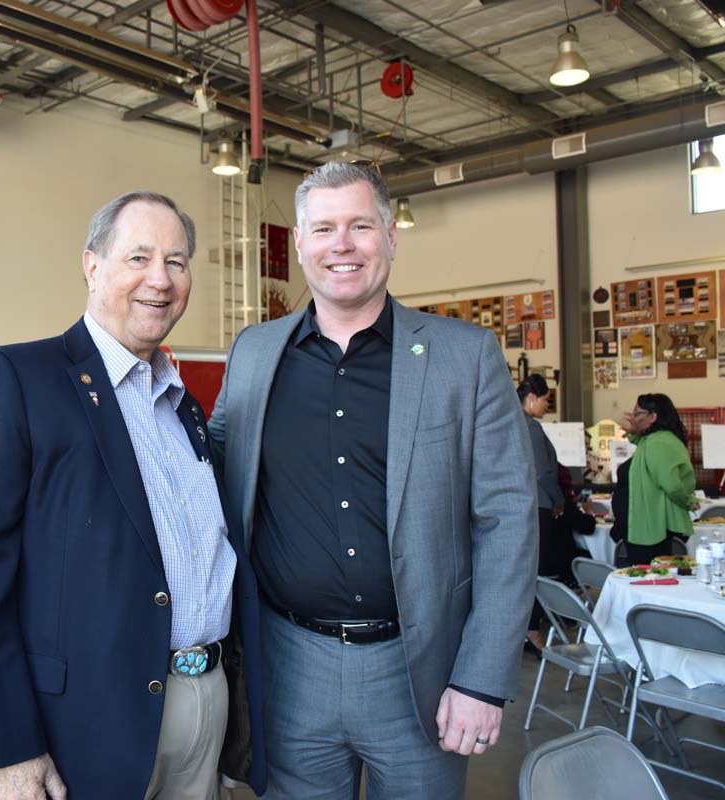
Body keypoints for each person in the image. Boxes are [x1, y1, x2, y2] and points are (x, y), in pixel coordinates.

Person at [207, 162, 536, 799]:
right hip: (288, 663)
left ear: (390, 237)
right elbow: (208, 469)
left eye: (361, 225)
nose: (343, 244)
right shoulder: (253, 351)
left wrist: (482, 678)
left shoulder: (463, 357)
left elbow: (508, 520)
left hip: (421, 673)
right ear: (299, 243)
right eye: (324, 228)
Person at [0, 191, 266, 800]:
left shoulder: (184, 407)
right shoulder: (17, 379)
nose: (160, 280)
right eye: (138, 258)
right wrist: (6, 746)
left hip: (203, 704)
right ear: (91, 266)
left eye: (176, 261)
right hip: (83, 725)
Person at [619, 393, 694, 563]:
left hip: (652, 527)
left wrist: (688, 501)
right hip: (650, 525)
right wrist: (634, 432)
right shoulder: (654, 440)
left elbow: (672, 485)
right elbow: (644, 446)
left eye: (637, 414)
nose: (633, 418)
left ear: (653, 417)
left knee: (649, 576)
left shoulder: (658, 443)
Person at [518, 374, 563, 654]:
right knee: (537, 570)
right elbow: (544, 472)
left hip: (522, 505)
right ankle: (532, 629)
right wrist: (559, 500)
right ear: (532, 398)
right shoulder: (530, 427)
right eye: (546, 400)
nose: (547, 405)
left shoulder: (508, 422)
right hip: (538, 505)